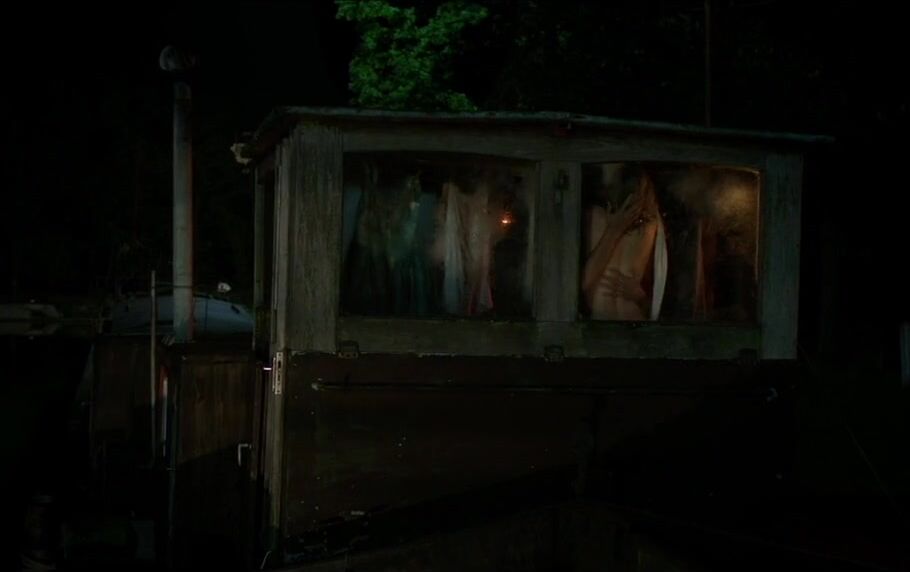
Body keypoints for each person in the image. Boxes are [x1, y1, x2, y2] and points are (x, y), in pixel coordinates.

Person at [582, 163, 667, 321]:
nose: (635, 200)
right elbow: (582, 283)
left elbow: (659, 294)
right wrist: (614, 230)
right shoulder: (595, 217)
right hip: (602, 324)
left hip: (633, 321)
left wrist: (640, 296)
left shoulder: (651, 227)